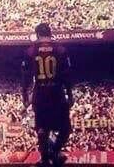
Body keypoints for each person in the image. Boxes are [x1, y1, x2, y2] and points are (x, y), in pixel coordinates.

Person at [21, 23, 73, 166]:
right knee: (65, 128)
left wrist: (25, 95)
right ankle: (55, 151)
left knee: (42, 128)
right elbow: (67, 75)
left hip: (40, 92)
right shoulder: (61, 50)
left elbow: (26, 76)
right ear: (50, 34)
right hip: (57, 91)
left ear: (37, 34)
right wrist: (69, 93)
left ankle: (44, 159)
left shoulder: (30, 51)